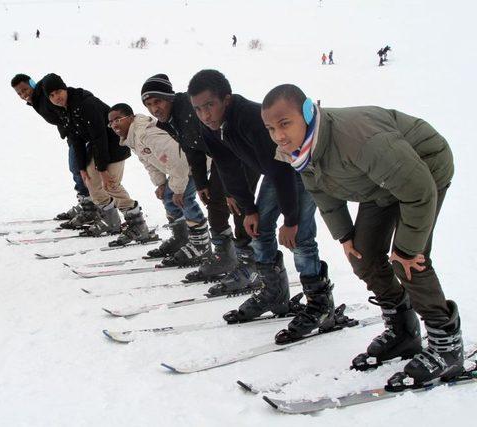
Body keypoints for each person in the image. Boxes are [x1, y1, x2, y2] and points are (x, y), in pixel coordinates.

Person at [261, 83, 464, 389]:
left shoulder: (358, 139)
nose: (278, 135)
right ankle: (403, 331)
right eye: (271, 128)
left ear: (306, 113)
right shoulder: (299, 150)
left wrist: (407, 249)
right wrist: (344, 234)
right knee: (362, 256)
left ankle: (446, 345)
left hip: (424, 169)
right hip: (379, 182)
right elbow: (320, 190)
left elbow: (419, 190)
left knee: (410, 260)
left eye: (284, 123)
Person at [188, 70, 338, 342]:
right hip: (275, 171)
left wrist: (291, 220)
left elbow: (282, 172)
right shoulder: (210, 128)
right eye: (198, 109)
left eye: (210, 105)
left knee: (300, 237)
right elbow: (228, 166)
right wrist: (249, 209)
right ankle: (274, 294)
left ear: (227, 100)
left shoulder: (250, 119)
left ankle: (321, 304)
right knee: (259, 230)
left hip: (301, 169)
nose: (205, 115)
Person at [141, 74, 259, 280]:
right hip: (222, 159)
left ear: (168, 97)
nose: (153, 109)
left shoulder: (190, 111)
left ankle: (250, 264)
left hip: (242, 157)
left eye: (157, 101)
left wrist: (231, 190)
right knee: (216, 205)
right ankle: (226, 257)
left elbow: (225, 147)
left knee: (238, 206)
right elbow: (192, 149)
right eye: (148, 104)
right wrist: (202, 183)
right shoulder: (172, 119)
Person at [43, 74, 151, 245]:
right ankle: (111, 221)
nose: (56, 97)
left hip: (114, 146)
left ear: (65, 89)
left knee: (110, 185)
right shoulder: (64, 110)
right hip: (97, 148)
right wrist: (82, 168)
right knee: (92, 184)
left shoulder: (86, 104)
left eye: (58, 92)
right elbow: (75, 139)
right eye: (51, 95)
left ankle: (138, 225)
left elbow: (100, 136)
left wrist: (102, 170)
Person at [108, 103, 209, 263]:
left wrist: (178, 189)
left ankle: (201, 245)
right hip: (183, 168)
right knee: (169, 197)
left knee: (184, 198)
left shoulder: (146, 133)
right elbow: (149, 162)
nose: (114, 124)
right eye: (111, 122)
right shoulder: (133, 137)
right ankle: (181, 238)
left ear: (131, 117)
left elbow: (178, 161)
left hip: (196, 163)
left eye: (118, 119)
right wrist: (161, 183)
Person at [11, 73, 93, 224]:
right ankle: (86, 204)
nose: (23, 94)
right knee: (76, 169)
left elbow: (65, 108)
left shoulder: (45, 95)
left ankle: (91, 207)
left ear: (32, 83)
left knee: (78, 168)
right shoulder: (36, 99)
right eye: (19, 93)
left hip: (81, 135)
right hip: (72, 135)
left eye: (25, 89)